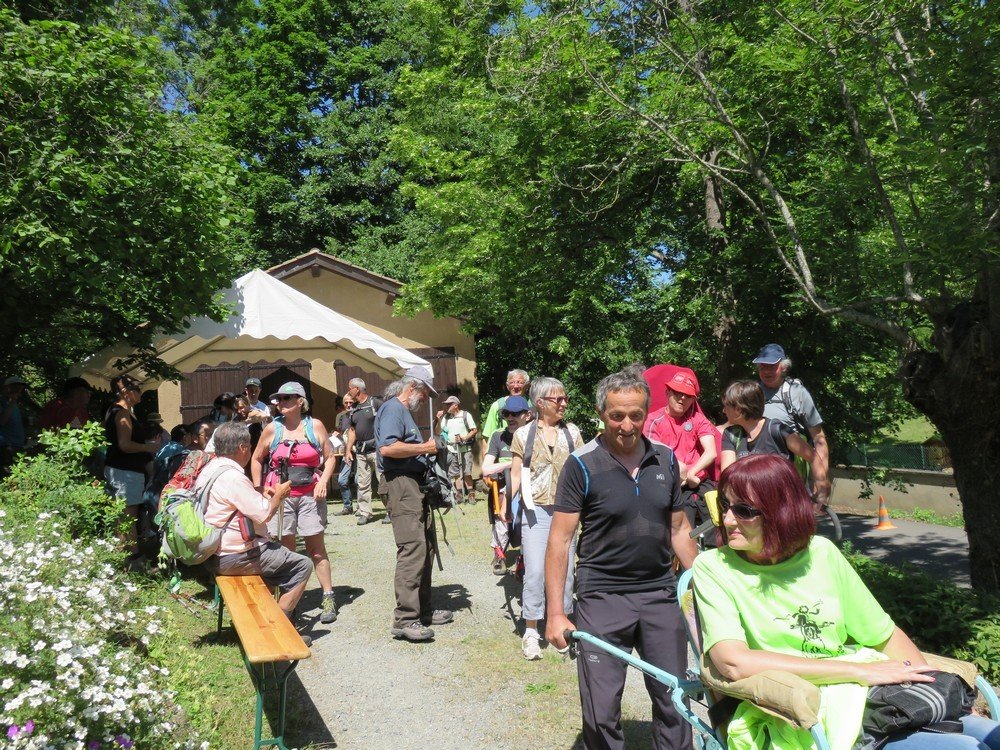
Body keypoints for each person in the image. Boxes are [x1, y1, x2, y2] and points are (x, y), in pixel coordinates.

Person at [692, 454, 1000, 749]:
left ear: (780, 511)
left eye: (744, 510)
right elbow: (733, 662)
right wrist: (858, 673)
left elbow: (883, 634)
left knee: (990, 735)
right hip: (802, 712)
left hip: (876, 696)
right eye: (724, 505)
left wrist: (934, 690)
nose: (728, 519)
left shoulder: (821, 553)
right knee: (968, 747)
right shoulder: (714, 567)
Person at [546, 368, 696, 750]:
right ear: (601, 413)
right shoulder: (581, 464)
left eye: (636, 415)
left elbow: (679, 531)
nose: (627, 425)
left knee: (674, 699)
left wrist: (710, 585)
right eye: (617, 416)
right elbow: (560, 540)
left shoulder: (665, 460)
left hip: (659, 594)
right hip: (602, 597)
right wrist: (555, 613)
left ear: (648, 412)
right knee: (600, 708)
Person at [202, 422, 314, 644]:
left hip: (213, 553)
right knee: (302, 565)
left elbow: (234, 501)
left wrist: (260, 491)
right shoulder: (233, 477)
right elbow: (264, 514)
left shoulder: (211, 469)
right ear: (243, 448)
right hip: (235, 556)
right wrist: (279, 495)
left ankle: (258, 621)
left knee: (276, 563)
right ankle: (278, 630)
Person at [374, 365, 455, 642]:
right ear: (412, 388)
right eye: (424, 394)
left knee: (426, 546)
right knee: (412, 548)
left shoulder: (402, 411)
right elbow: (387, 448)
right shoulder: (393, 409)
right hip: (401, 484)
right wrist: (425, 448)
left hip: (412, 483)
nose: (425, 401)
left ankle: (422, 611)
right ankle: (405, 619)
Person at [251, 381, 339, 626]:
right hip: (282, 498)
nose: (281, 403)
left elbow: (330, 458)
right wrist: (259, 487)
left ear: (300, 401)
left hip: (310, 495)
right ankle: (291, 601)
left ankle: (328, 596)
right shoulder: (272, 429)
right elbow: (257, 458)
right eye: (279, 399)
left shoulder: (315, 426)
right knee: (287, 551)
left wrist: (323, 481)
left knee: (316, 548)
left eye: (287, 398)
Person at [510, 376, 584, 660]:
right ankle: (531, 630)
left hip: (567, 510)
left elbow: (582, 470)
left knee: (566, 571)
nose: (564, 403)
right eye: (558, 399)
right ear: (541, 403)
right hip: (535, 510)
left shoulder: (573, 433)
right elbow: (516, 473)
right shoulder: (523, 435)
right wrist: (506, 508)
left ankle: (562, 627)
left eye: (565, 398)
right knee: (536, 572)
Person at [643, 366, 721, 538]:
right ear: (668, 392)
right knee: (681, 535)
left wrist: (692, 473)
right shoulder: (653, 421)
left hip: (699, 481)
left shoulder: (697, 419)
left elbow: (711, 452)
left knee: (717, 526)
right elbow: (653, 454)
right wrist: (684, 473)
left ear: (694, 399)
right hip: (671, 482)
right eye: (678, 392)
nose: (682, 398)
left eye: (688, 395)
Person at [753, 344, 831, 503]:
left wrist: (821, 479)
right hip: (758, 470)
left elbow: (818, 437)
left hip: (791, 470)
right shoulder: (753, 392)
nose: (766, 371)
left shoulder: (796, 392)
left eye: (771, 366)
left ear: (783, 368)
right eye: (762, 366)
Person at [719, 381, 822, 491]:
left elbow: (814, 457)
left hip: (782, 500)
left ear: (739, 409)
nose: (723, 411)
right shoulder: (731, 434)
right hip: (747, 501)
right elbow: (727, 475)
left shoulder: (777, 429)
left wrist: (822, 487)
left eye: (726, 406)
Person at [481, 394, 532, 575]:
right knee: (502, 504)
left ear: (527, 415)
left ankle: (525, 557)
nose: (510, 418)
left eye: (515, 414)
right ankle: (499, 552)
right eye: (507, 414)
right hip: (504, 486)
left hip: (530, 486)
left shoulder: (534, 436)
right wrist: (513, 463)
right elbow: (486, 468)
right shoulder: (498, 436)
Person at [103, 375, 155, 551]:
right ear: (125, 392)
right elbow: (124, 445)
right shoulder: (122, 413)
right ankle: (132, 560)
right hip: (125, 473)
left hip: (122, 471)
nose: (141, 392)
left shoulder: (115, 411)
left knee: (123, 518)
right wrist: (149, 447)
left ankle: (124, 558)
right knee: (127, 518)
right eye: (137, 389)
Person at [343, 378, 384, 526]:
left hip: (377, 451)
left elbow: (388, 421)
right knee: (363, 484)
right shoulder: (353, 408)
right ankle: (365, 513)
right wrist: (348, 450)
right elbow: (352, 431)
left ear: (357, 389)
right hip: (361, 452)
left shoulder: (375, 403)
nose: (348, 391)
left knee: (383, 482)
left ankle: (392, 511)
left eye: (350, 388)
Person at [435, 395, 477, 501]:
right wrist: (438, 420)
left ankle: (471, 493)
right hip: (451, 448)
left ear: (455, 405)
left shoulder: (465, 415)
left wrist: (464, 438)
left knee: (467, 472)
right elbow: (438, 432)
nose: (447, 406)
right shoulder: (446, 418)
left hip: (465, 447)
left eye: (449, 404)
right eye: (446, 404)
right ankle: (459, 494)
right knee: (455, 473)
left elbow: (474, 430)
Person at [480, 369, 530, 450]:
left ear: (527, 385)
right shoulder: (498, 406)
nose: (516, 386)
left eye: (520, 382)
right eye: (512, 382)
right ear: (507, 386)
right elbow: (487, 438)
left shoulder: (531, 406)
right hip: (504, 455)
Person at [333, 394, 355, 516]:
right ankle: (348, 507)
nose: (348, 405)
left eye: (351, 402)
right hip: (347, 452)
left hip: (361, 452)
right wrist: (337, 436)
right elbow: (341, 433)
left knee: (359, 481)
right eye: (346, 403)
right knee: (342, 480)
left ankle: (363, 509)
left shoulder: (359, 414)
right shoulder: (341, 416)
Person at [0, 376, 28, 463]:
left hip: (17, 444)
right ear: (6, 387)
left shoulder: (14, 403)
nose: (18, 390)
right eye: (15, 387)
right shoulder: (1, 401)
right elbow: (2, 421)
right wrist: (12, 402)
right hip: (6, 445)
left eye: (20, 388)